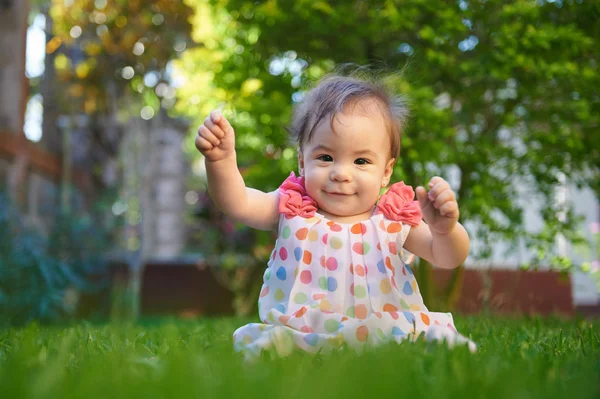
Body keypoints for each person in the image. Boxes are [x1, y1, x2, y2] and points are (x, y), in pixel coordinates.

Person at [195, 73, 476, 358]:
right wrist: (220, 161)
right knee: (271, 348)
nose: (341, 173)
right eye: (326, 157)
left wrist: (445, 230)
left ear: (386, 172)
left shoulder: (393, 221)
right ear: (302, 162)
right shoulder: (292, 210)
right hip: (305, 334)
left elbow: (448, 257)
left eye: (361, 161)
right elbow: (238, 202)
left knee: (432, 340)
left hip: (388, 333)